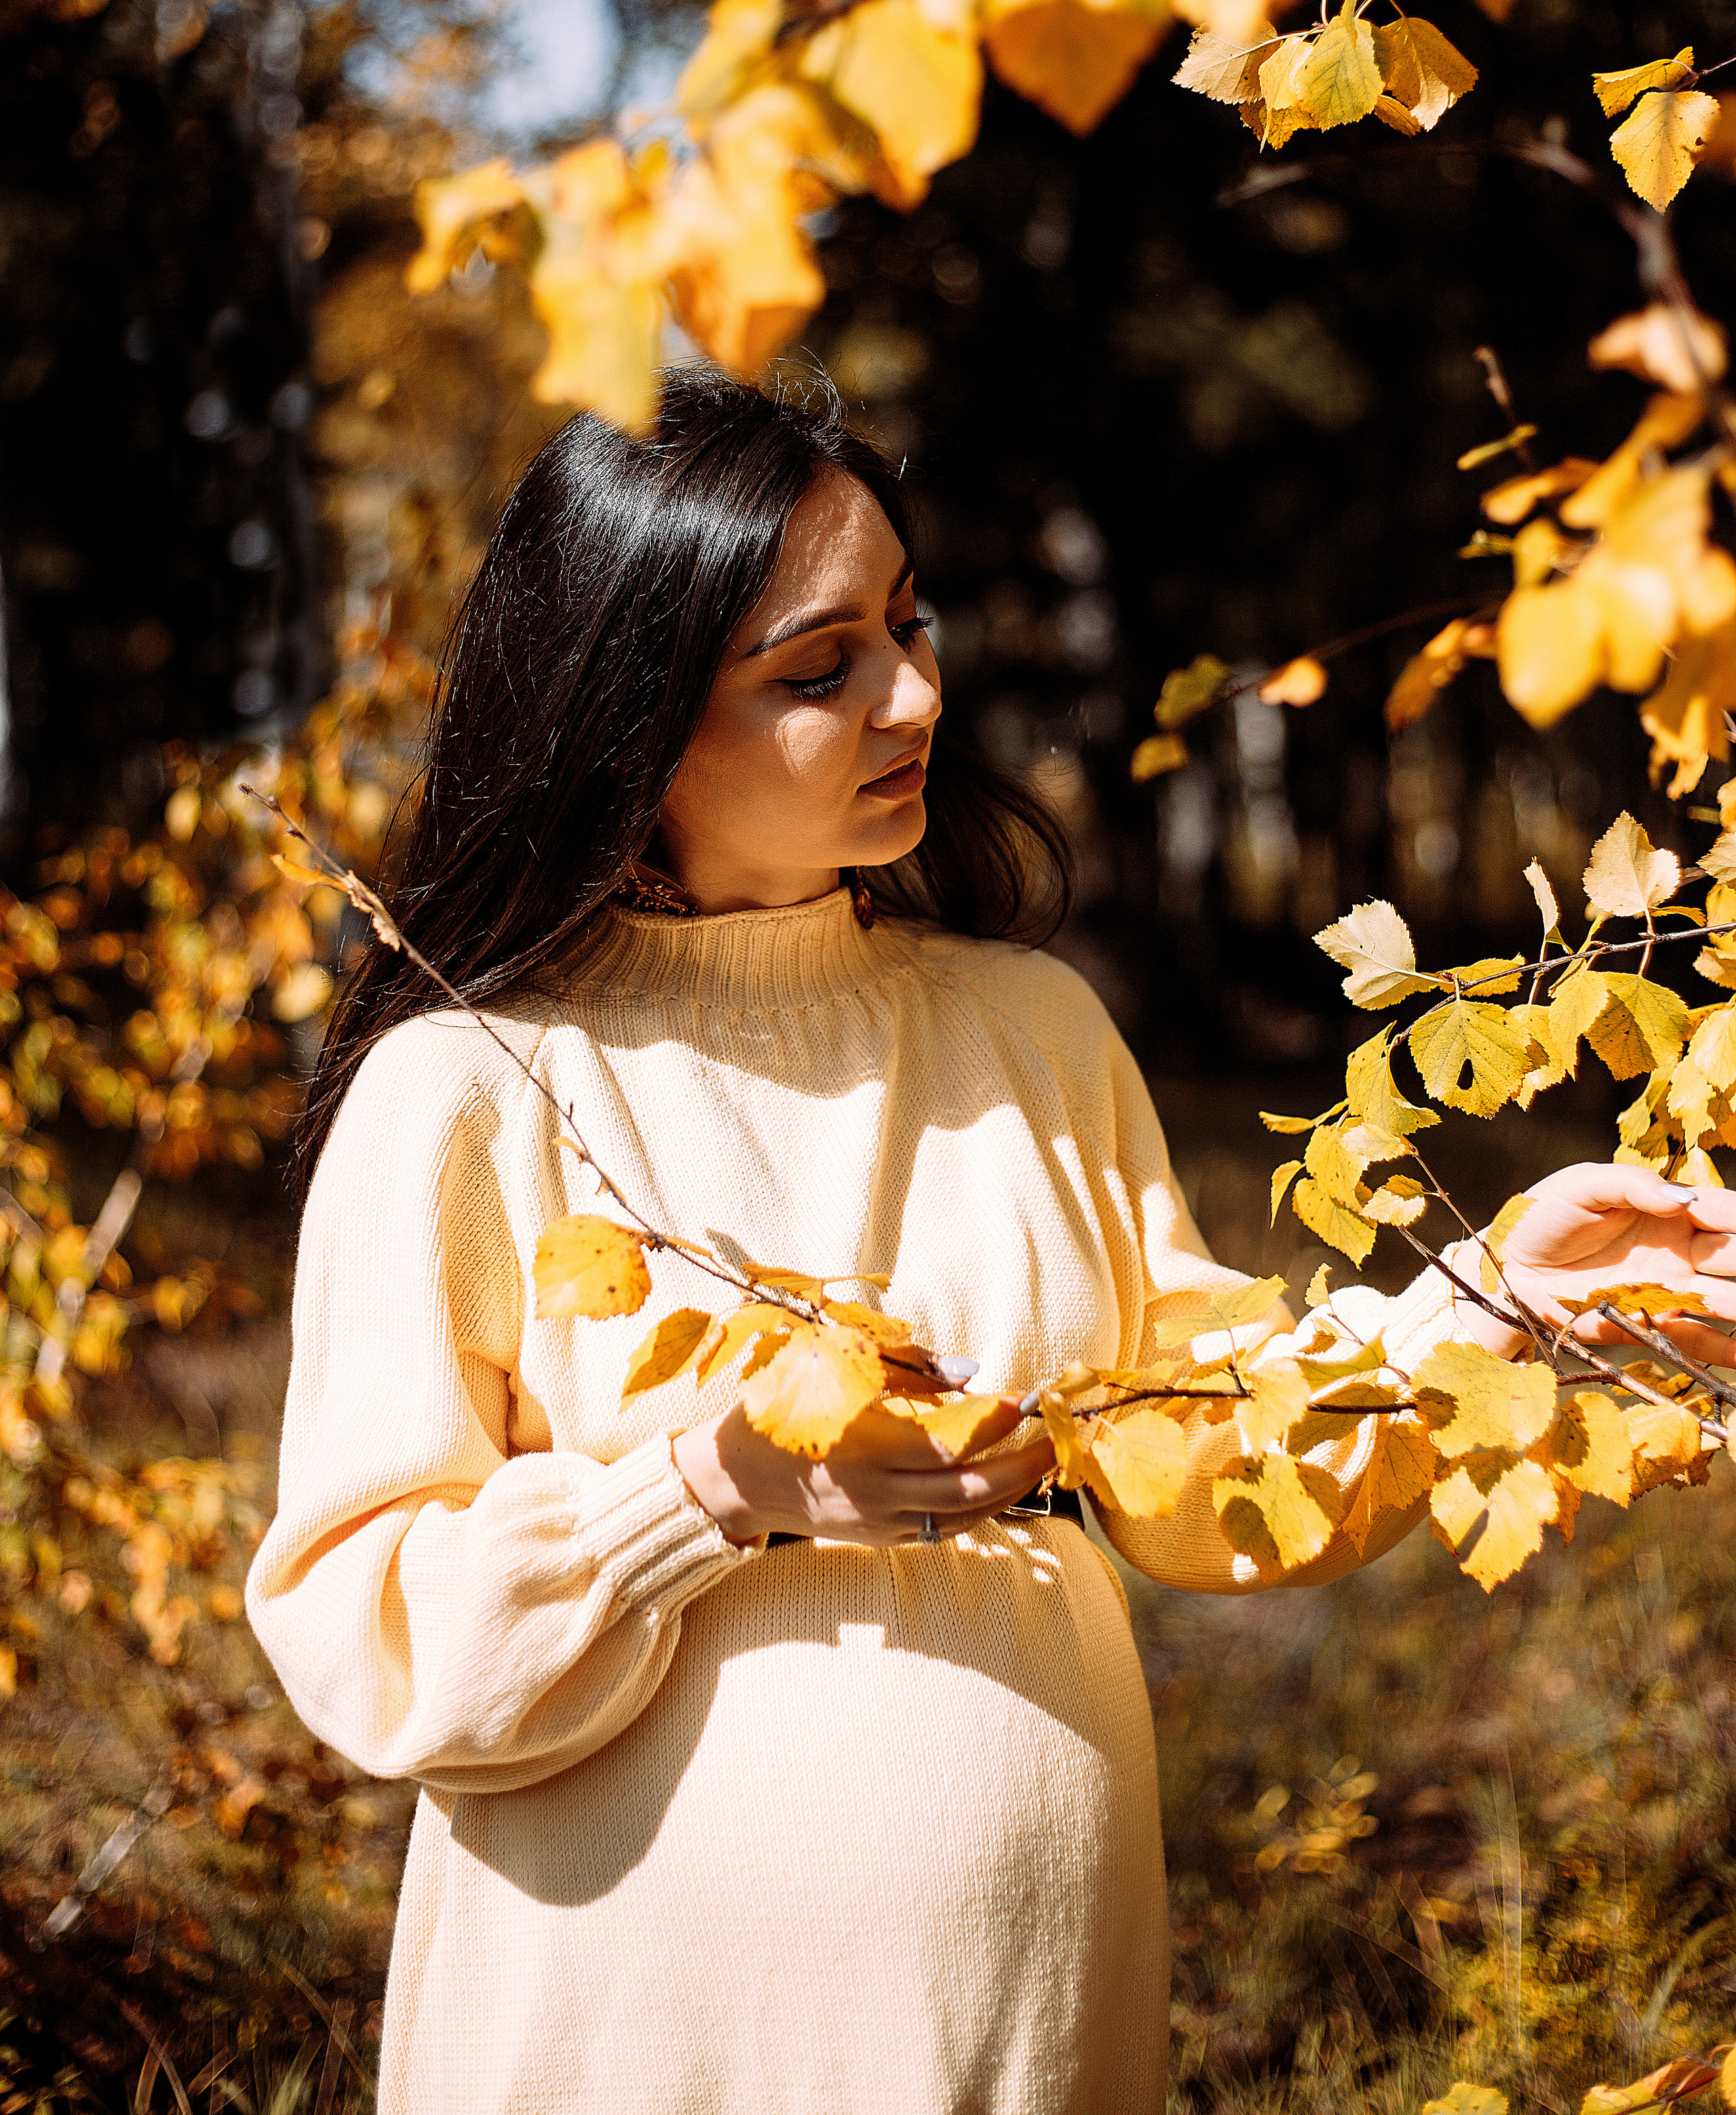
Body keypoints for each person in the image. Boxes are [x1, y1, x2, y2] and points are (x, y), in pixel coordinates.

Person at [246, 370, 1736, 2115]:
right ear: (627, 719)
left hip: (1036, 2030)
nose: (914, 693)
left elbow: (1201, 1448)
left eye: (908, 623)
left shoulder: (1029, 1029)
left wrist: (1474, 1307)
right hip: (629, 2035)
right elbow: (364, 1626)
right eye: (818, 670)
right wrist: (706, 1492)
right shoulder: (472, 1091)